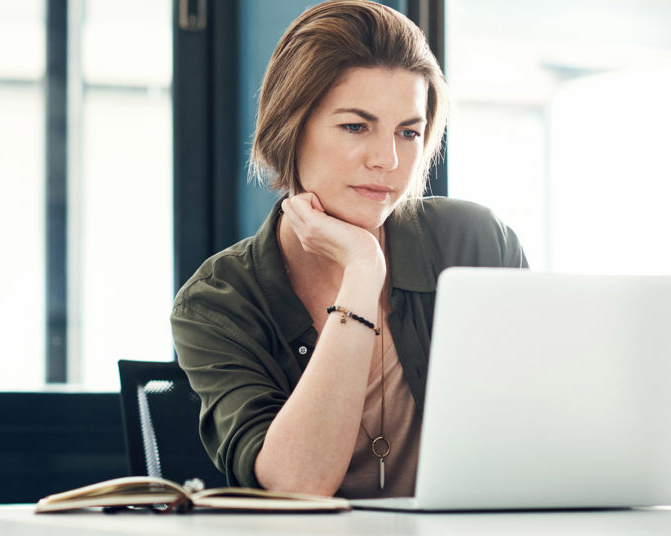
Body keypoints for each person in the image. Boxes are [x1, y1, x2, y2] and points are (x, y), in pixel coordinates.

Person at [171, 0, 527, 499]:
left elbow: (541, 431)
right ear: (290, 130)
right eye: (356, 127)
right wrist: (362, 272)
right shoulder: (218, 302)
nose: (388, 159)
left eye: (409, 132)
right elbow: (299, 484)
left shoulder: (474, 242)